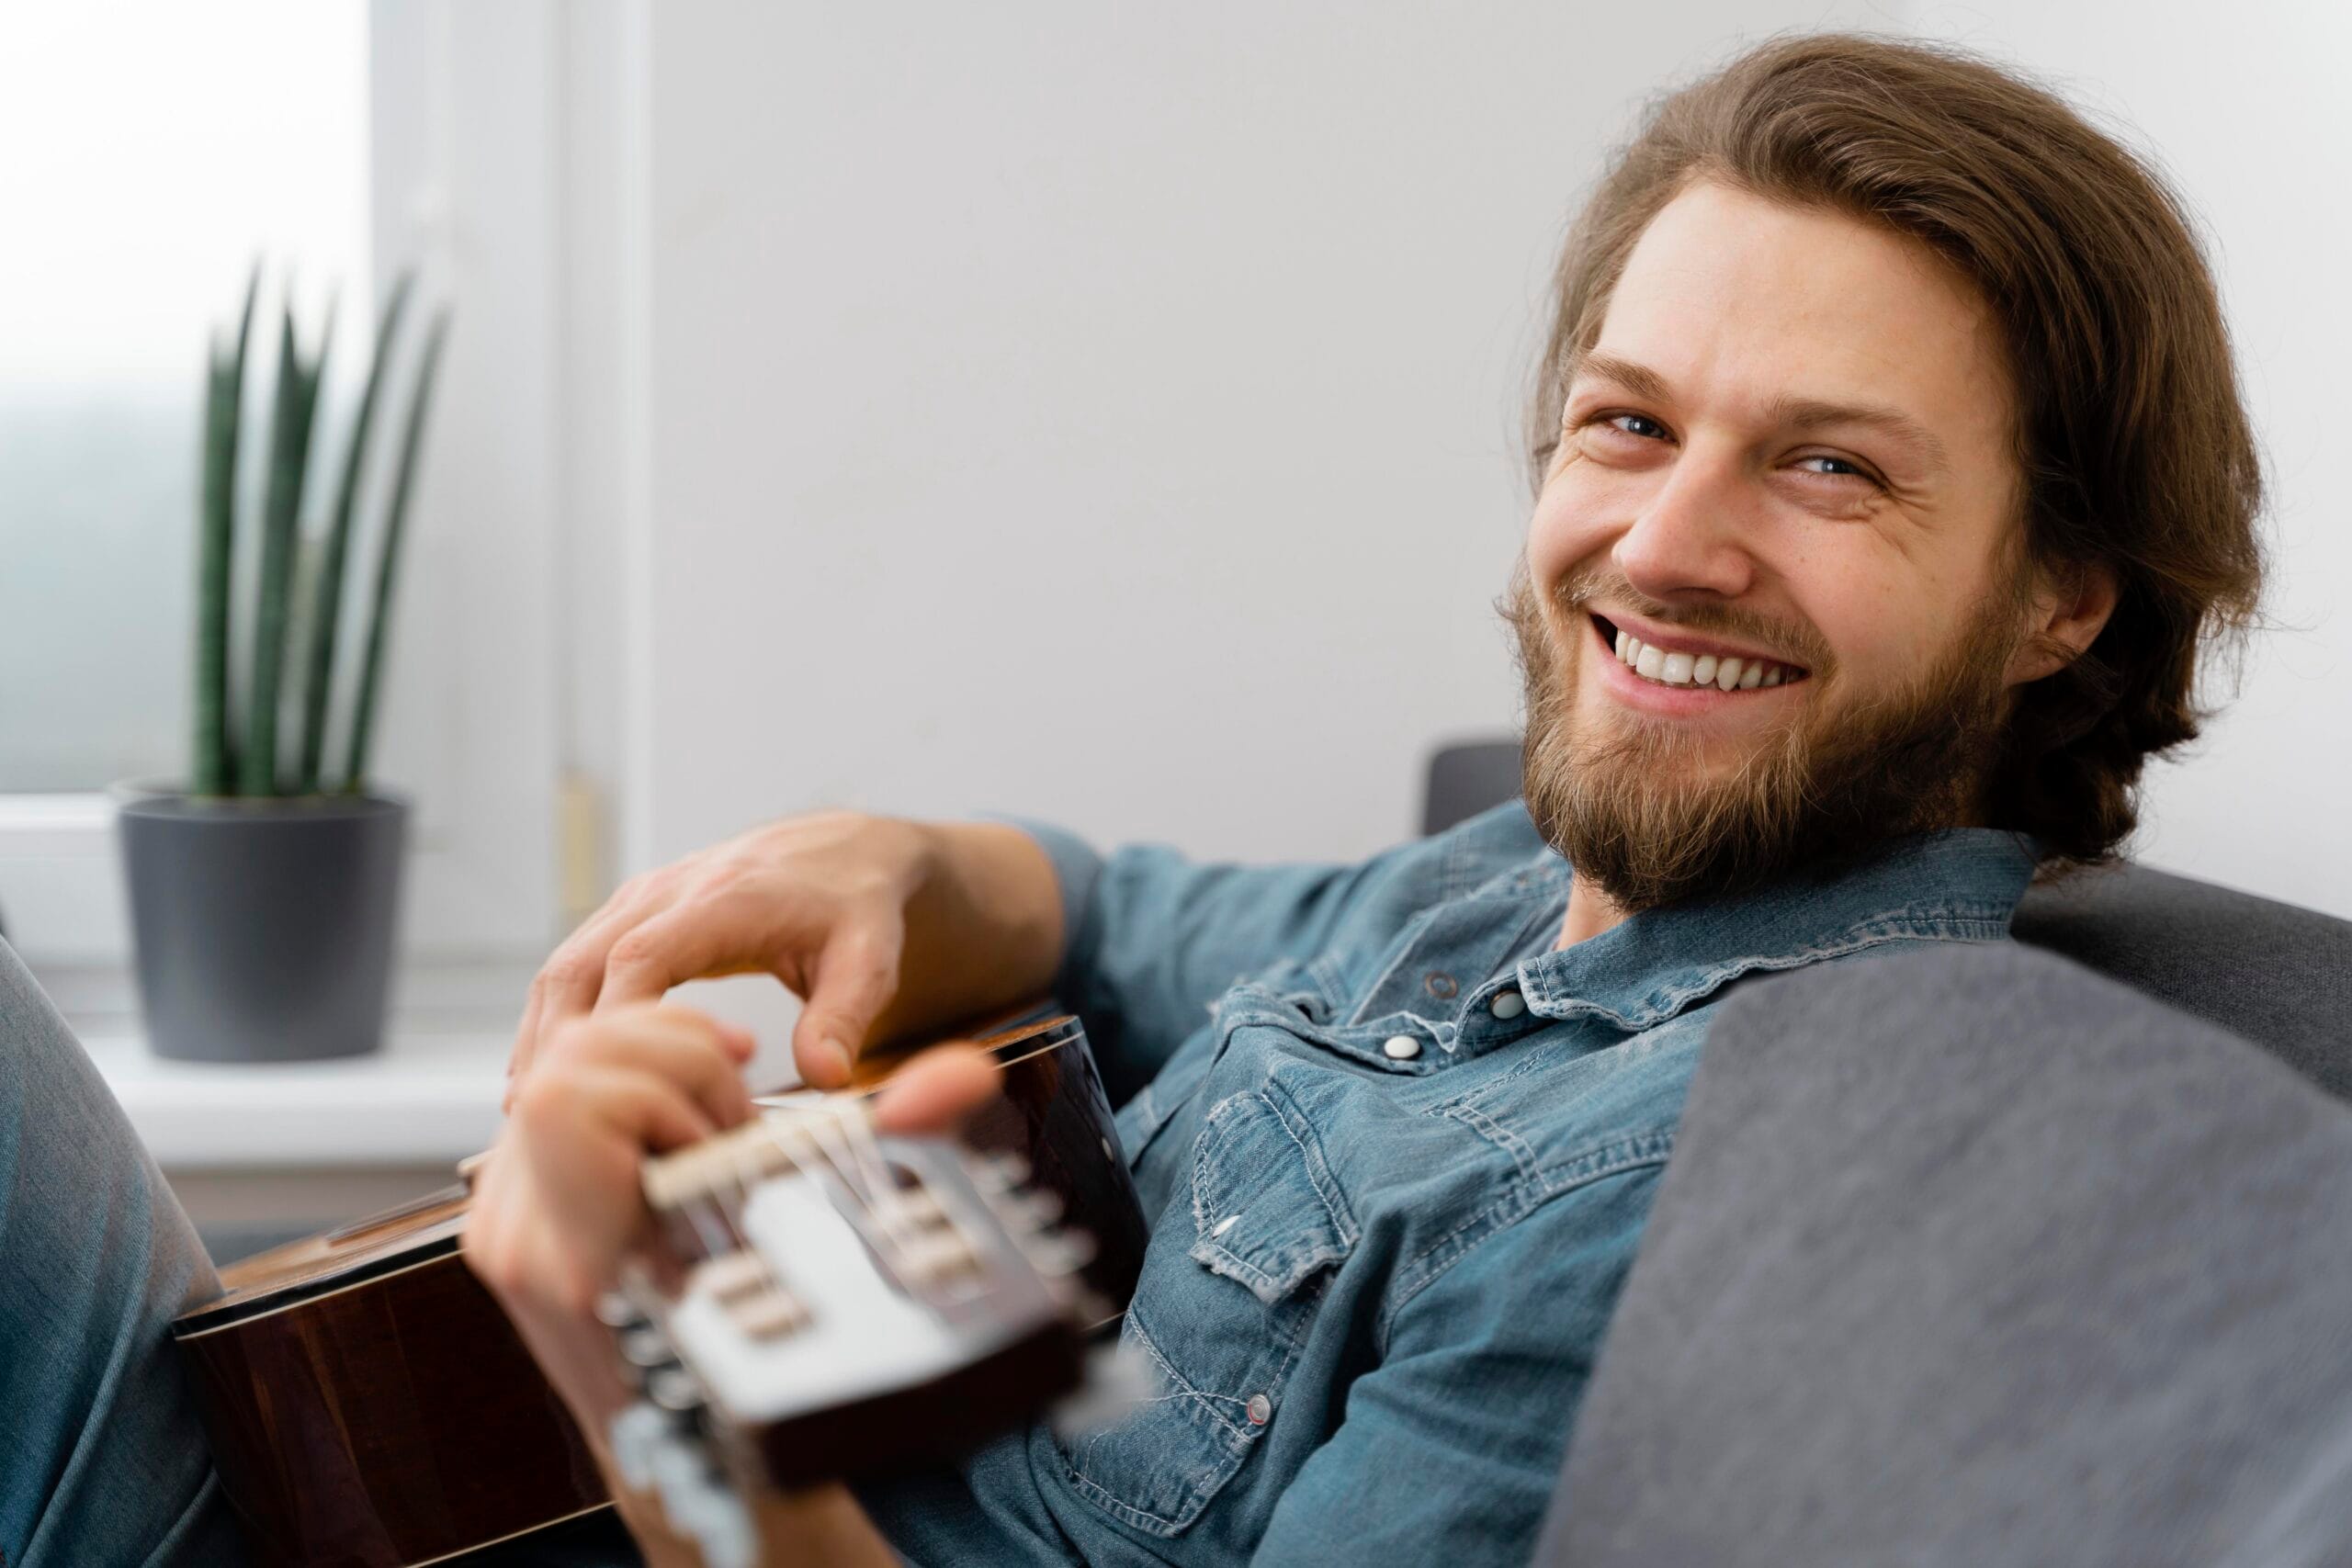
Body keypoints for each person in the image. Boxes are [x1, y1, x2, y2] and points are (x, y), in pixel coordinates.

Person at [1, 29, 2265, 1568]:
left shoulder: (1723, 1174)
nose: (1662, 541)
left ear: (2061, 588)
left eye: (1825, 464)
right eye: (1621, 421)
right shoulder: (1516, 886)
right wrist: (906, 868)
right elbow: (1125, 910)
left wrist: (668, 1412)